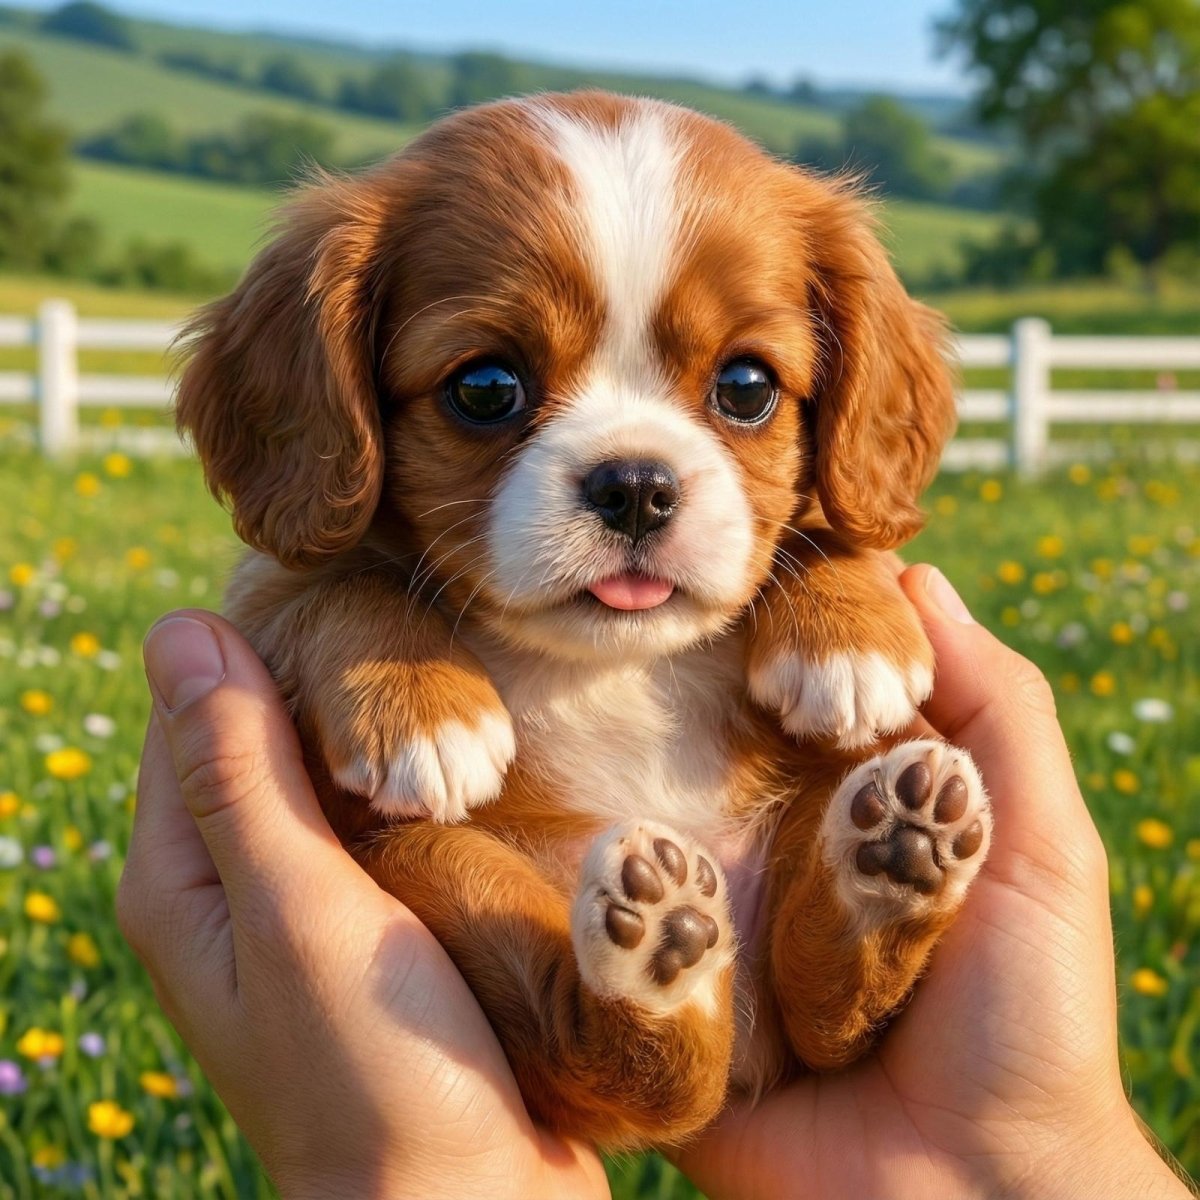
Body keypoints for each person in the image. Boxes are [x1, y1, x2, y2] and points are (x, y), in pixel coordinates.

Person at [118, 566, 1196, 1200]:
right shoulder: (374, 583)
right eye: (490, 393)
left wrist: (838, 583)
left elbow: (847, 528)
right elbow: (286, 592)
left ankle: (850, 930)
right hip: (533, 928)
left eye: (741, 391)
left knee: (863, 775)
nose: (635, 476)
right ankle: (641, 1027)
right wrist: (357, 627)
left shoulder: (780, 553)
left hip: (782, 893)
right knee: (411, 856)